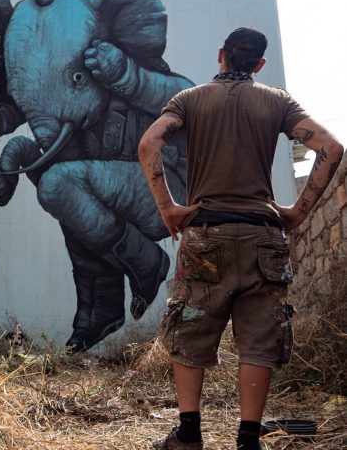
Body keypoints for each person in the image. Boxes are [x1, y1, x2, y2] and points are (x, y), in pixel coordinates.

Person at [138, 27, 344, 450]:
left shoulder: (189, 100)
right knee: (259, 339)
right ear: (260, 64)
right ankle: (248, 439)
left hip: (205, 235)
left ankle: (189, 435)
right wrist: (297, 212)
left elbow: (148, 145)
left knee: (190, 331)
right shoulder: (278, 102)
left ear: (221, 55)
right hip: (263, 238)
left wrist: (168, 208)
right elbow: (331, 147)